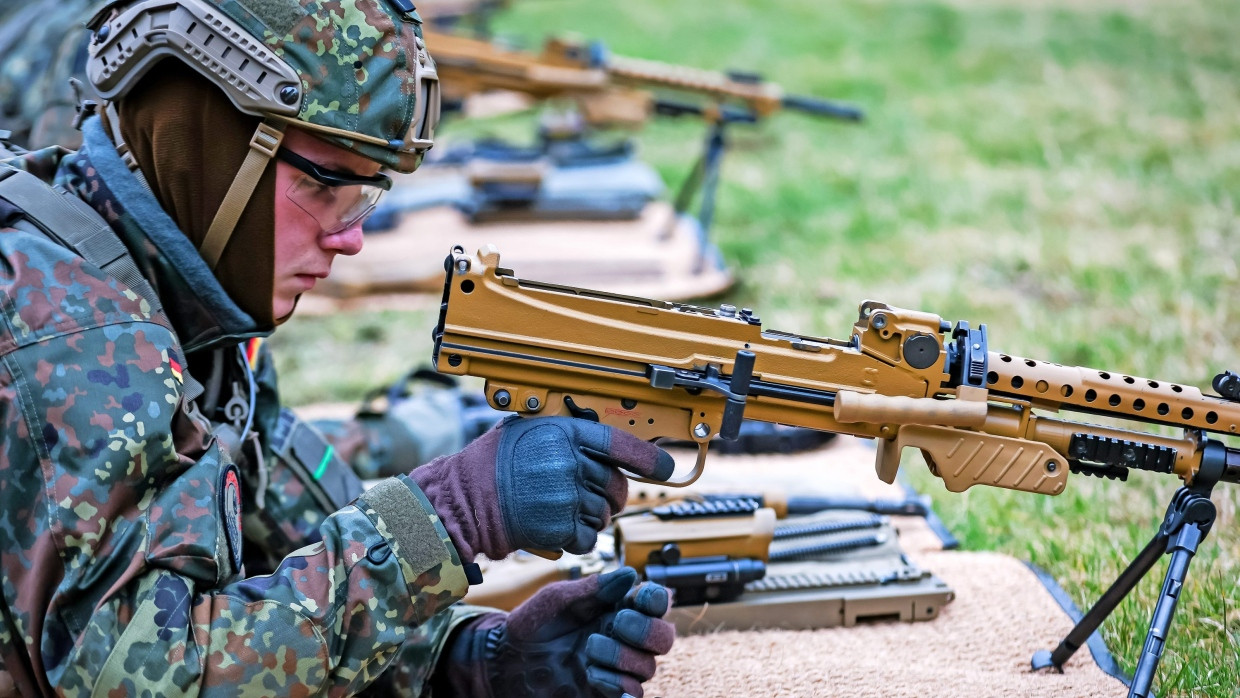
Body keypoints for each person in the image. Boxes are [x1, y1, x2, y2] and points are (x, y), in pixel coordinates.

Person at [0, 1, 676, 696]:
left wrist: (465, 661)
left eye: (365, 196)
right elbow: (144, 678)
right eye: (324, 185)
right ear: (207, 149)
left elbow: (285, 530)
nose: (349, 238)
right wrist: (453, 511)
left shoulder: (178, 302)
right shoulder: (76, 332)